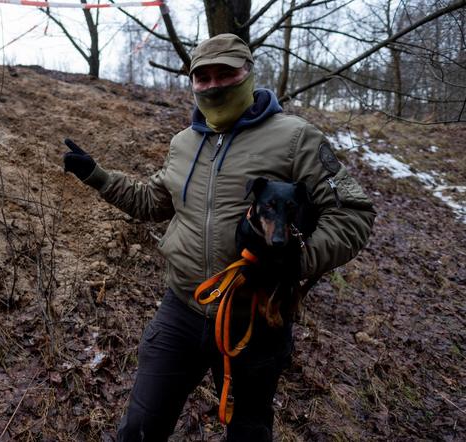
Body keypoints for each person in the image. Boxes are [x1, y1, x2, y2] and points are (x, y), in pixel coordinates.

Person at [63, 33, 375, 441]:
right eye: (203, 77)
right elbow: (152, 202)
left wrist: (299, 260)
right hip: (182, 309)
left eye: (225, 74)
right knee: (139, 429)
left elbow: (353, 213)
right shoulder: (183, 143)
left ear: (247, 74)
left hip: (256, 317)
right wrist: (96, 175)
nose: (213, 86)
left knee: (248, 431)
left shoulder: (297, 138)